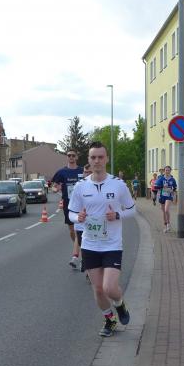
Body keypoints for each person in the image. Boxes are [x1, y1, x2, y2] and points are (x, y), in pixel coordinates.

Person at [68, 141, 135, 337]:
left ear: (107, 159)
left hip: (112, 244)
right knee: (98, 289)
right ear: (89, 160)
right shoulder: (81, 187)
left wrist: (118, 215)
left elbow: (132, 209)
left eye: (100, 157)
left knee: (109, 287)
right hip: (90, 244)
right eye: (93, 157)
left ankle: (120, 304)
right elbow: (71, 213)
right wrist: (78, 218)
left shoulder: (118, 184)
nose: (97, 161)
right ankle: (109, 319)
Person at [52, 151, 84, 269]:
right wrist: (55, 189)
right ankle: (79, 247)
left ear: (77, 157)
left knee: (79, 229)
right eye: (69, 155)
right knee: (72, 230)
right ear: (67, 157)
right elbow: (54, 186)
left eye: (73, 155)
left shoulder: (82, 171)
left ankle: (79, 254)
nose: (71, 157)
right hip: (68, 204)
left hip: (82, 204)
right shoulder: (62, 172)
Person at [71, 164, 92, 274]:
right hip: (80, 224)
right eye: (85, 172)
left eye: (89, 172)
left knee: (91, 246)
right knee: (83, 244)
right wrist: (76, 217)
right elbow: (72, 208)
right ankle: (85, 264)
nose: (87, 174)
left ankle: (87, 266)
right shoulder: (78, 186)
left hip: (94, 223)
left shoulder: (100, 186)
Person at [155, 165, 177, 233]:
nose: (167, 171)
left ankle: (168, 224)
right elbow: (156, 187)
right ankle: (166, 225)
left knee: (166, 209)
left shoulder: (172, 179)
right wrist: (162, 186)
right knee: (164, 211)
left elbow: (175, 188)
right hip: (162, 196)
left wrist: (174, 197)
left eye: (168, 170)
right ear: (164, 171)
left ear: (170, 171)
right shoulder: (161, 178)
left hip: (169, 196)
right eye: (166, 170)